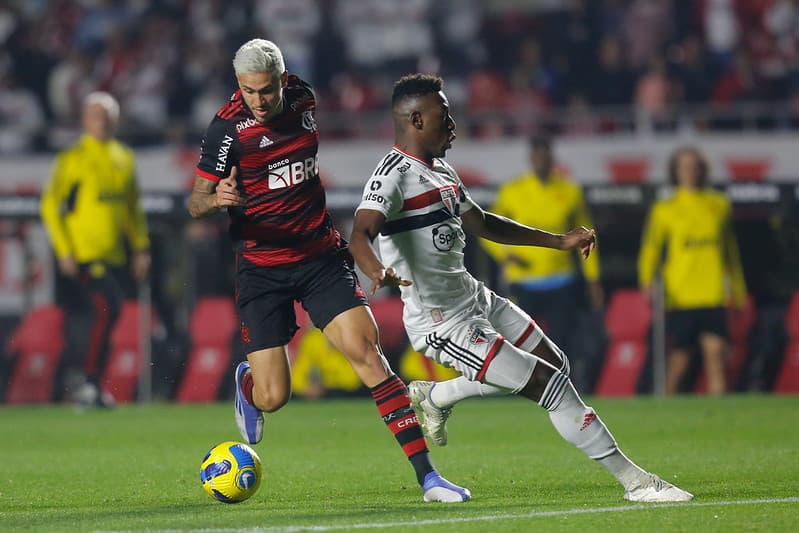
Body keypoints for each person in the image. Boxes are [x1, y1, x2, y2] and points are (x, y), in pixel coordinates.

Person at [349, 73, 693, 503]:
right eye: (445, 114)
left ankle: (440, 395)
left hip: (475, 298)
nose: (453, 123)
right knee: (552, 386)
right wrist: (375, 268)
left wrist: (558, 241)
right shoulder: (390, 178)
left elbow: (482, 222)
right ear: (416, 119)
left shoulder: (440, 169)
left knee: (556, 362)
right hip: (442, 323)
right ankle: (638, 483)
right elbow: (360, 234)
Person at [187, 39, 468, 503]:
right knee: (274, 396)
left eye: (266, 89)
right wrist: (215, 200)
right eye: (249, 91)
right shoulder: (226, 130)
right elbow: (196, 200)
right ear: (239, 87)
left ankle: (429, 478)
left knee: (368, 354)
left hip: (319, 257)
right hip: (261, 268)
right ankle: (249, 384)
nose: (259, 100)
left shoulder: (304, 99)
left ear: (283, 79)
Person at [40, 91, 151, 407]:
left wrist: (141, 249)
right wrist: (64, 250)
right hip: (84, 254)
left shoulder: (123, 157)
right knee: (106, 307)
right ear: (84, 121)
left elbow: (132, 209)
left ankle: (89, 383)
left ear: (115, 120)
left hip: (114, 253)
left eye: (106, 116)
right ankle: (86, 382)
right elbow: (50, 205)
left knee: (105, 314)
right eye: (94, 116)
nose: (100, 122)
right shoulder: (73, 159)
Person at [482, 135, 604, 385]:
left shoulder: (569, 191)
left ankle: (561, 387)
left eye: (544, 156)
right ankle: (521, 387)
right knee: (518, 341)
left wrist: (593, 278)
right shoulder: (513, 191)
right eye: (536, 156)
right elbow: (485, 230)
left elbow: (587, 235)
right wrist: (505, 254)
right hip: (523, 280)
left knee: (561, 340)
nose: (540, 161)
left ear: (551, 158)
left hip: (561, 280)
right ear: (530, 159)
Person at [638, 146, 747, 394]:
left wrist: (738, 290)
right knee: (680, 361)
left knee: (715, 357)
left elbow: (730, 252)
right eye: (684, 166)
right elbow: (650, 251)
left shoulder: (719, 204)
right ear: (675, 171)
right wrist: (646, 281)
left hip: (712, 292)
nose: (690, 171)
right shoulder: (664, 209)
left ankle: (719, 423)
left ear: (702, 169)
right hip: (680, 294)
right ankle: (664, 411)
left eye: (694, 166)